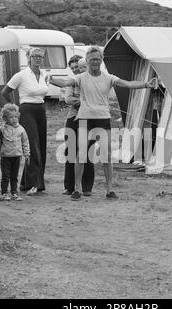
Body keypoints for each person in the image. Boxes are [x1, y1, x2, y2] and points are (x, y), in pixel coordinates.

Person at [49, 46, 156, 201]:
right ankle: (78, 189)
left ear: (101, 60)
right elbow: (66, 82)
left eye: (97, 59)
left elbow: (127, 84)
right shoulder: (81, 78)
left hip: (103, 119)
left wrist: (146, 84)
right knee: (81, 155)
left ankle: (110, 189)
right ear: (87, 60)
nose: (95, 61)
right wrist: (53, 81)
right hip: (85, 119)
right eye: (92, 59)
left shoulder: (108, 78)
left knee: (106, 156)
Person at [1, 47, 49, 195]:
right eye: (35, 56)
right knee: (32, 147)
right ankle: (35, 183)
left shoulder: (44, 74)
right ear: (29, 57)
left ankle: (26, 182)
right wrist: (15, 108)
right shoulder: (21, 75)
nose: (38, 59)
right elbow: (5, 92)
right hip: (26, 110)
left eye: (40, 56)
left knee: (41, 146)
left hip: (41, 110)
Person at [63, 56, 95, 196]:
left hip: (90, 119)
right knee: (71, 152)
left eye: (80, 67)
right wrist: (84, 102)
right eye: (75, 68)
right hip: (73, 118)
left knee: (87, 152)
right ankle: (69, 187)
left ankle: (87, 187)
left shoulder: (94, 81)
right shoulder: (72, 82)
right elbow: (68, 98)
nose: (77, 70)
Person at [0, 104, 30, 201]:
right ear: (5, 118)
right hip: (6, 156)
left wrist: (27, 154)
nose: (14, 119)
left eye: (16, 117)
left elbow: (25, 142)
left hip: (17, 156)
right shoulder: (2, 129)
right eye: (11, 117)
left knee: (14, 175)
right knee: (5, 175)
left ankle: (14, 192)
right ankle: (4, 192)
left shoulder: (21, 129)